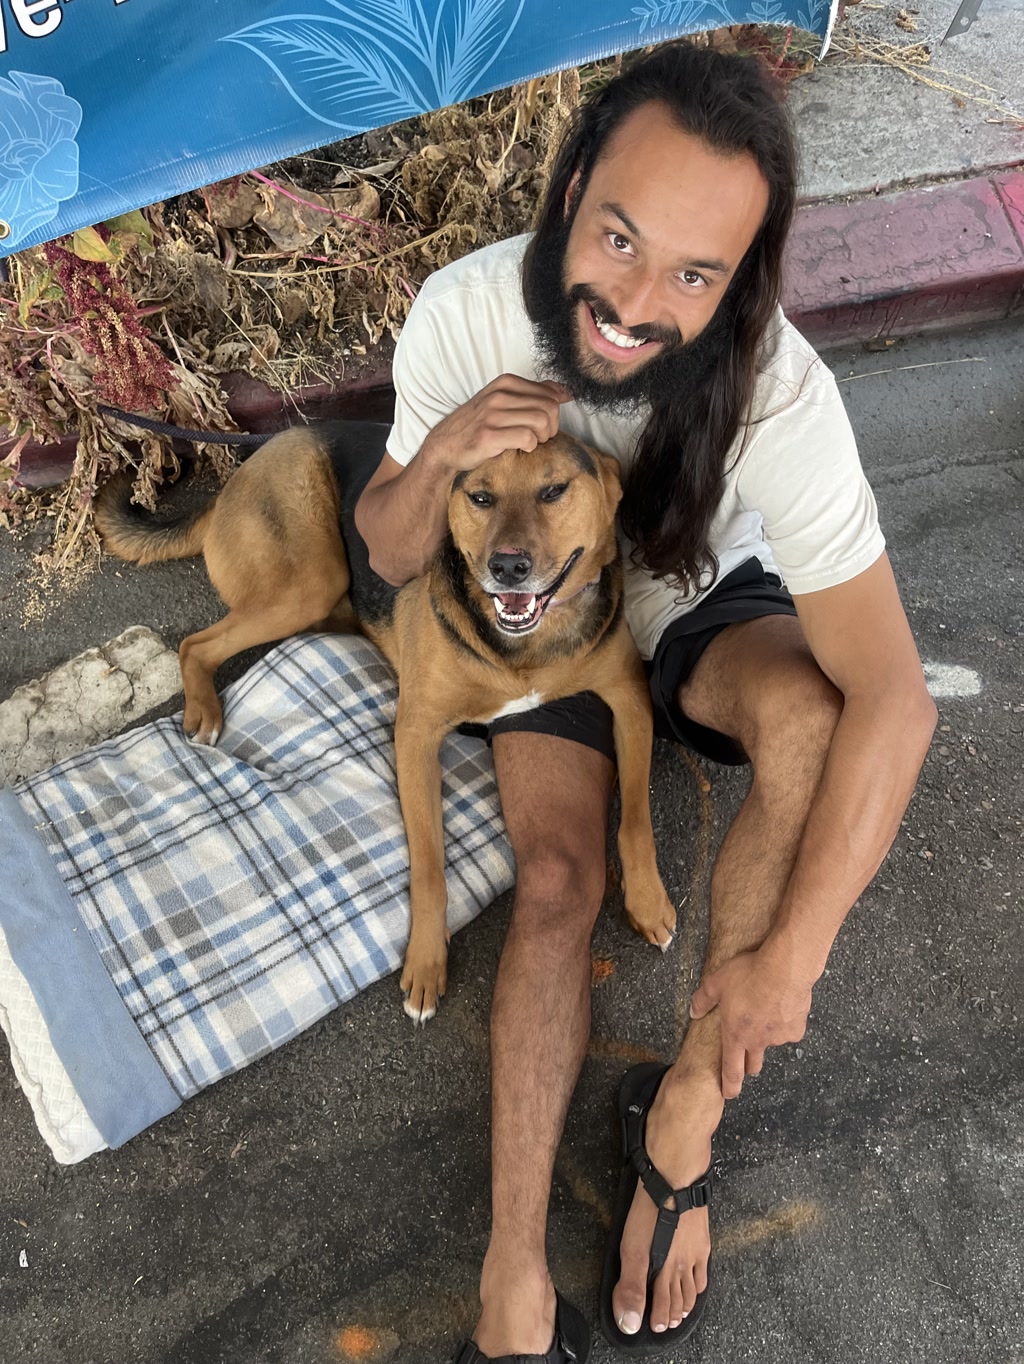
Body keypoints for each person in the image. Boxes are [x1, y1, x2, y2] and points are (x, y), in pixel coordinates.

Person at [354, 41, 937, 1362]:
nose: (632, 304)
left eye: (694, 272)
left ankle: (681, 1126)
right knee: (559, 883)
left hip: (688, 601)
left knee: (818, 721)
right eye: (619, 239)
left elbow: (897, 699)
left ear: (739, 281)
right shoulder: (465, 312)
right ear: (567, 192)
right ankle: (513, 1275)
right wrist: (450, 441)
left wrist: (788, 966)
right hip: (544, 619)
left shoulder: (775, 390)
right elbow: (390, 551)